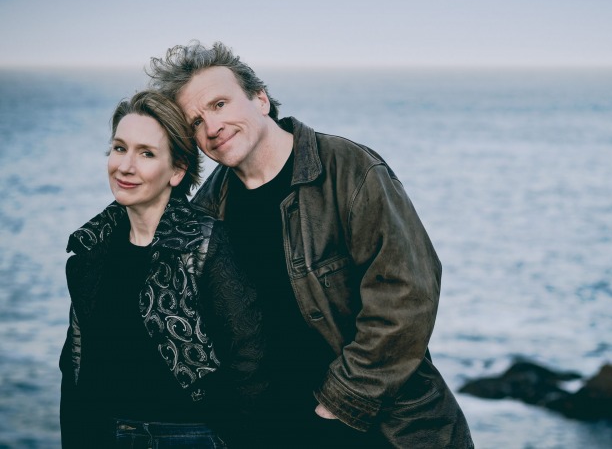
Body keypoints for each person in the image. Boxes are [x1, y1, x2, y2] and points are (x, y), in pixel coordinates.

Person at [145, 41, 475, 447]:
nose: (211, 127)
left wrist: (339, 403)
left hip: (384, 427)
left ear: (260, 100)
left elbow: (407, 294)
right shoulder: (208, 210)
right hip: (272, 430)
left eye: (219, 105)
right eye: (195, 121)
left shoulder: (349, 169)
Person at [59, 90, 265, 448]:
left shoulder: (204, 244)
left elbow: (249, 360)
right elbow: (74, 364)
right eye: (120, 148)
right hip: (99, 433)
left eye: (147, 154)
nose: (125, 166)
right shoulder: (91, 246)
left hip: (188, 436)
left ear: (177, 170)